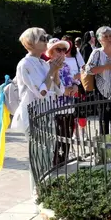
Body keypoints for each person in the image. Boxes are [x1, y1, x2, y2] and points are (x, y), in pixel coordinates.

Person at [46, 38, 78, 167]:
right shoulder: (48, 66)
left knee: (68, 135)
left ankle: (64, 160)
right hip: (56, 107)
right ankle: (55, 162)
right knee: (58, 136)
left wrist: (75, 86)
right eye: (58, 50)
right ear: (51, 52)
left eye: (64, 50)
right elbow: (52, 85)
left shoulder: (66, 66)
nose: (62, 52)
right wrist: (64, 90)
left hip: (69, 105)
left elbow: (72, 79)